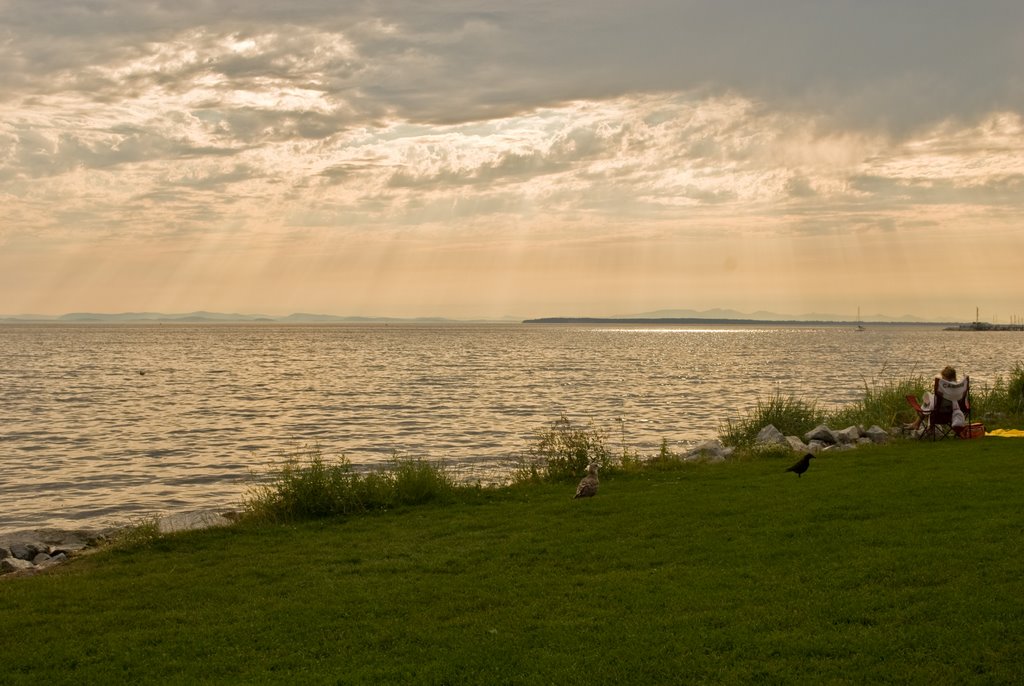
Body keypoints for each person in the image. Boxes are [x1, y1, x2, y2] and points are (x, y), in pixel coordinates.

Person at [908, 366, 957, 431]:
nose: (942, 379)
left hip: (940, 411)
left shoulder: (945, 387)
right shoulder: (958, 387)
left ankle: (918, 424)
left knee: (927, 399)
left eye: (943, 378)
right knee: (929, 401)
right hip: (952, 411)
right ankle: (918, 424)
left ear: (947, 378)